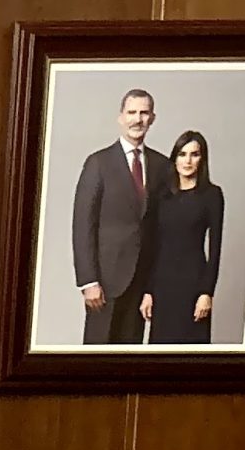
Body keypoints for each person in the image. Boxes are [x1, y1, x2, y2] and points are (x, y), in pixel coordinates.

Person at [70, 87, 172, 345]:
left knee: (130, 360)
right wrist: (88, 281)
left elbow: (162, 229)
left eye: (144, 113)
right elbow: (83, 225)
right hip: (104, 282)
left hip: (141, 282)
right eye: (132, 112)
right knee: (96, 361)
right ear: (121, 117)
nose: (138, 119)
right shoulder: (98, 163)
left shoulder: (162, 166)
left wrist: (153, 287)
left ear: (153, 118)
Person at [143, 129, 224, 346]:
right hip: (162, 286)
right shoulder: (161, 196)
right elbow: (153, 246)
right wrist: (148, 291)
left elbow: (215, 248)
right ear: (175, 157)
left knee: (192, 357)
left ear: (202, 159)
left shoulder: (212, 195)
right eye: (182, 154)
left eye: (194, 154)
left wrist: (207, 292)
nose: (187, 161)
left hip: (193, 285)